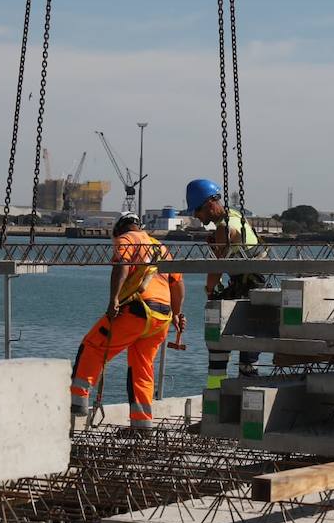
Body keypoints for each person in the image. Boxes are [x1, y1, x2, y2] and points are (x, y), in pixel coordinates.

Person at [70, 212, 186, 431]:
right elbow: (177, 284)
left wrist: (113, 299)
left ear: (118, 230)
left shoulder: (126, 239)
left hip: (137, 310)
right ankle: (142, 426)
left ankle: (77, 401)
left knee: (93, 346)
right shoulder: (159, 247)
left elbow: (122, 264)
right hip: (161, 319)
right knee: (142, 369)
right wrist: (177, 315)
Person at [185, 178, 266, 384]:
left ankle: (217, 386)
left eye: (197, 210)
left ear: (209, 205)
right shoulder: (237, 216)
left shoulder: (223, 227)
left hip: (248, 285)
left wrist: (210, 291)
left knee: (217, 326)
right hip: (256, 284)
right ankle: (247, 380)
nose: (196, 215)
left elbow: (217, 268)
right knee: (249, 338)